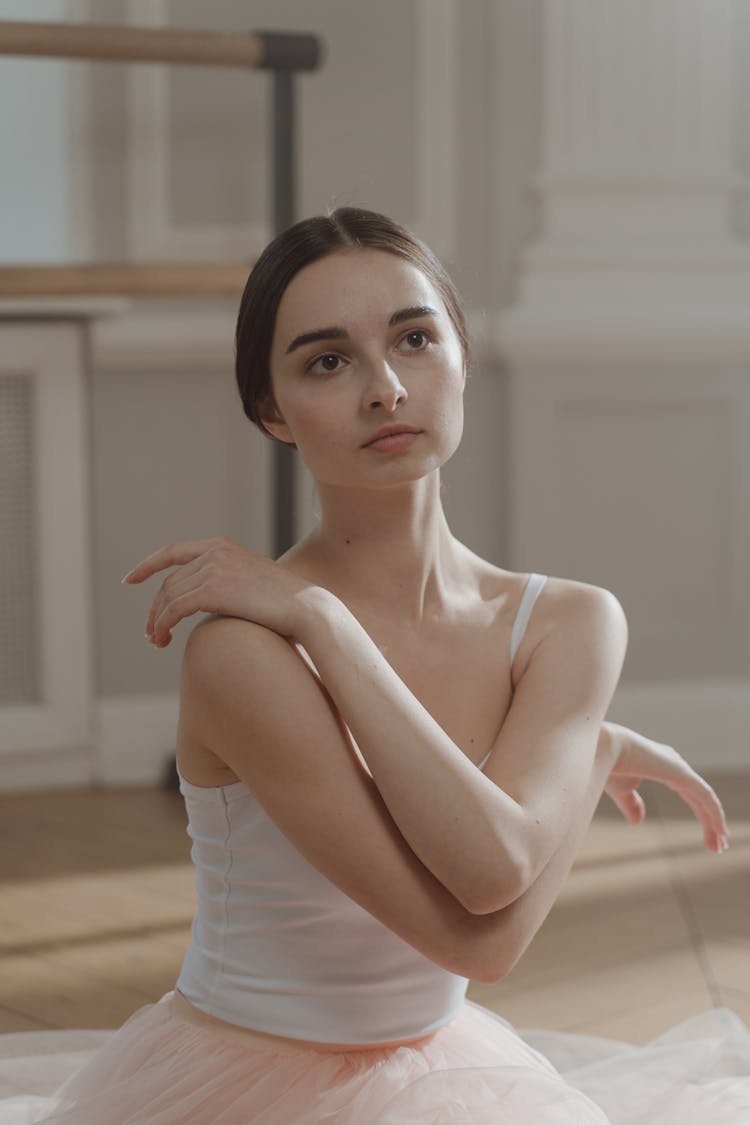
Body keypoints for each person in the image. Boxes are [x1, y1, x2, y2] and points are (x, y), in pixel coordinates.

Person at [1, 207, 748, 1123]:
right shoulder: (242, 650)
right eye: (327, 359)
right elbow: (480, 931)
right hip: (238, 1085)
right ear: (272, 411)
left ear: (461, 359)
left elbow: (498, 874)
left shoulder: (571, 620)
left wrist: (327, 625)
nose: (386, 388)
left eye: (416, 339)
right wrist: (321, 618)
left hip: (450, 1078)